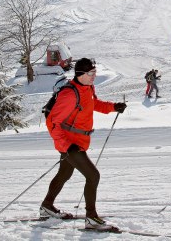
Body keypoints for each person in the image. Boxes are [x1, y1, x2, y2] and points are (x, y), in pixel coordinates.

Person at [42, 58, 127, 231]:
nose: (94, 76)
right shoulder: (69, 94)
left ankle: (47, 206)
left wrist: (113, 107)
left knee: (64, 174)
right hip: (70, 144)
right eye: (90, 73)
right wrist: (67, 146)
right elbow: (52, 123)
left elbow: (92, 103)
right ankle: (91, 217)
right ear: (80, 74)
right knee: (93, 175)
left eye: (95, 72)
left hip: (78, 142)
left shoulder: (87, 88)